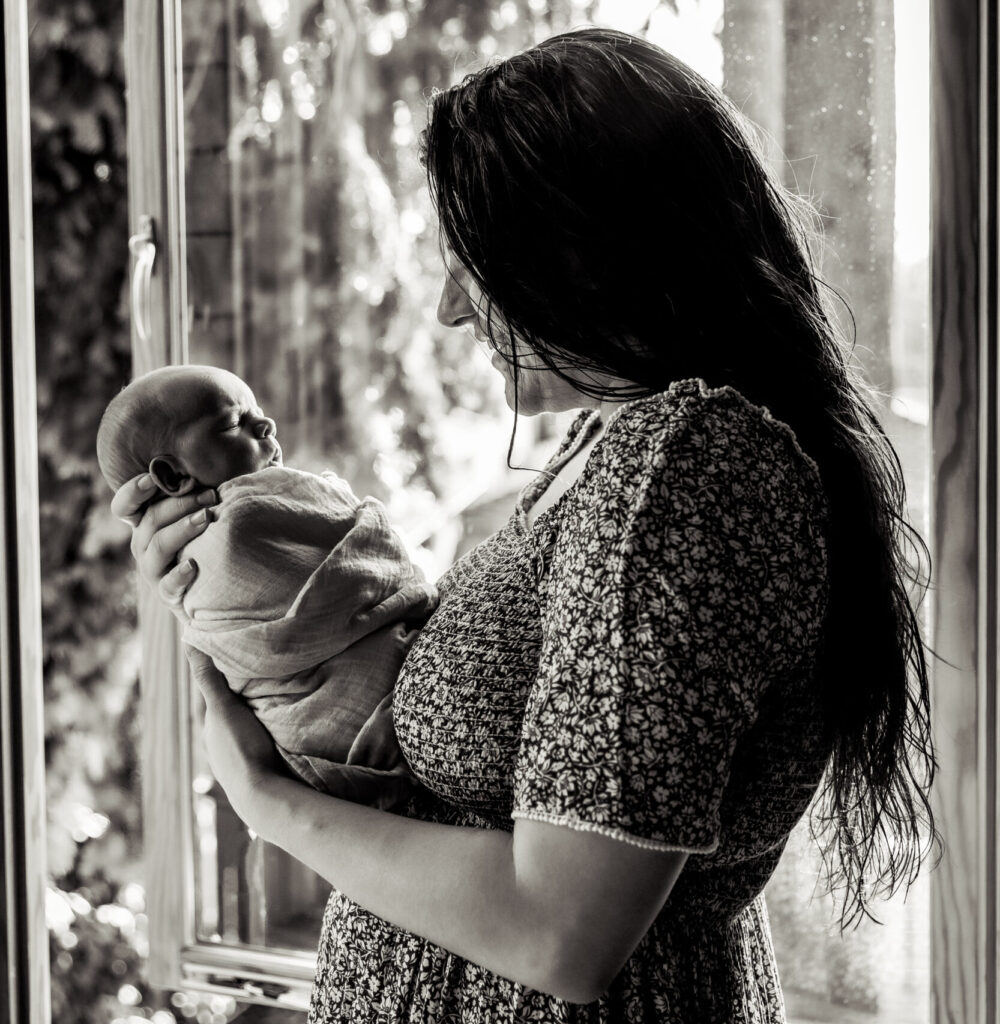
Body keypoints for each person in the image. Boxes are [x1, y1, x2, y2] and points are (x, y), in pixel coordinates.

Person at [111, 27, 939, 1024]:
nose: (454, 311)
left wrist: (267, 803)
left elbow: (561, 933)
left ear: (589, 251)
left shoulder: (684, 471)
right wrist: (236, 598)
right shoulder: (612, 448)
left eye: (477, 266)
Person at [98, 364, 435, 809]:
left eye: (258, 411)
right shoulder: (242, 524)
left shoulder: (205, 549)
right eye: (234, 422)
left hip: (339, 753)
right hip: (374, 718)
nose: (267, 425)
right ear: (175, 477)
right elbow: (366, 560)